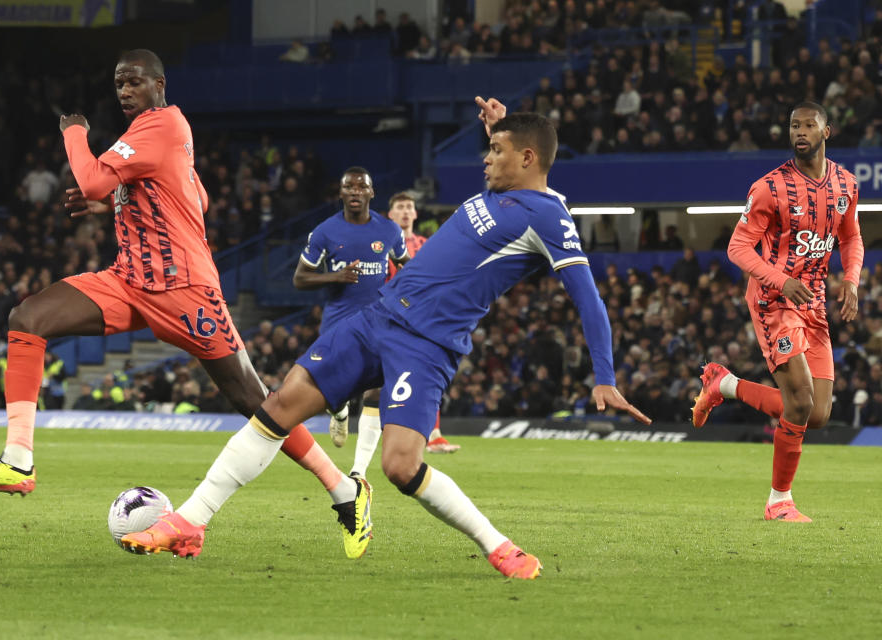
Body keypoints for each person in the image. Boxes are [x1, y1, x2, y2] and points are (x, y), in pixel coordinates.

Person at [120, 106, 650, 579]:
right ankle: (190, 521)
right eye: (489, 149)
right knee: (279, 405)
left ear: (528, 158)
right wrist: (500, 128)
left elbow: (589, 299)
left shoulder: (551, 218)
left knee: (400, 467)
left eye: (496, 151)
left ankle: (500, 547)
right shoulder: (501, 191)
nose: (486, 159)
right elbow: (517, 157)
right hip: (376, 317)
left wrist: (604, 375)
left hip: (426, 346)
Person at [0, 49, 372, 558]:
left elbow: (90, 176)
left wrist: (74, 132)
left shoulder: (163, 125)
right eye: (118, 83)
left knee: (256, 402)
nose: (123, 90)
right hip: (130, 280)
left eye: (133, 81)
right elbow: (191, 198)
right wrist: (111, 203)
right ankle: (18, 460)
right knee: (28, 317)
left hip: (185, 291)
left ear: (159, 84)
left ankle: (347, 493)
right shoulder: (163, 138)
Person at [692, 101, 863, 523]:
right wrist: (779, 280)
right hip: (774, 301)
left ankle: (724, 384)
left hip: (813, 302)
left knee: (817, 414)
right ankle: (778, 501)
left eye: (809, 125)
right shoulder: (769, 188)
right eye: (793, 125)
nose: (800, 131)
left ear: (827, 131)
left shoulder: (846, 184)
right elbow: (737, 247)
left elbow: (852, 238)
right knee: (800, 401)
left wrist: (852, 280)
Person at [292, 167, 408, 450]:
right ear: (341, 192)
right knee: (332, 389)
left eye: (361, 187)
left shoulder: (389, 230)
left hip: (378, 321)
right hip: (339, 322)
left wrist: (401, 295)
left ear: (371, 192)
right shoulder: (325, 232)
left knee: (375, 388)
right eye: (349, 187)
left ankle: (362, 465)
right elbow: (300, 279)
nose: (355, 191)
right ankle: (339, 411)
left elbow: (406, 266)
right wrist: (336, 276)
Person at [385, 192, 461, 457]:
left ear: (416, 214)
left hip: (422, 321)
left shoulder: (427, 245)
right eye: (400, 207)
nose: (406, 211)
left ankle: (433, 435)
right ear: (390, 215)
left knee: (428, 374)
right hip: (390, 320)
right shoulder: (382, 247)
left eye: (409, 207)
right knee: (385, 382)